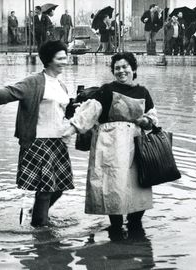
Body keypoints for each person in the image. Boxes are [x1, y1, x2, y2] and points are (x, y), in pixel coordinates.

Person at [0, 40, 74, 227]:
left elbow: (62, 112)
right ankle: (41, 229)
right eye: (60, 58)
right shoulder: (34, 81)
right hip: (39, 141)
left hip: (58, 142)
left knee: (59, 188)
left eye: (65, 57)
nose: (64, 61)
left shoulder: (62, 85)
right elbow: (10, 92)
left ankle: (35, 213)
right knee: (45, 190)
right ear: (48, 60)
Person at [62, 52, 158, 240]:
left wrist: (145, 120)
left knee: (138, 187)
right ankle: (116, 234)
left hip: (136, 146)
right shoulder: (106, 90)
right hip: (110, 146)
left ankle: (135, 229)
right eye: (117, 68)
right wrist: (71, 129)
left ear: (133, 69)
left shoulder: (143, 92)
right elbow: (90, 112)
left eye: (125, 67)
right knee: (113, 187)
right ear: (113, 71)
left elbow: (153, 118)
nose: (121, 71)